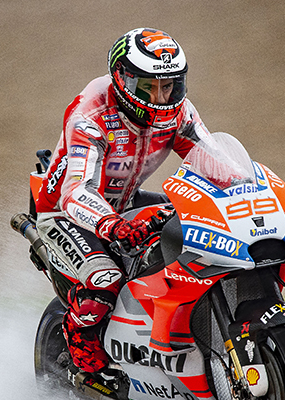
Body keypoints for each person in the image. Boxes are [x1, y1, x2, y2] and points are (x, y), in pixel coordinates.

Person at [34, 28, 212, 377]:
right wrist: (110, 224)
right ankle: (86, 362)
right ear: (122, 78)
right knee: (105, 280)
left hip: (125, 202)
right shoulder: (91, 112)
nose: (161, 98)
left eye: (169, 86)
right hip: (66, 212)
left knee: (198, 235)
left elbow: (213, 161)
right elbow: (75, 191)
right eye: (148, 86)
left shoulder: (179, 112)